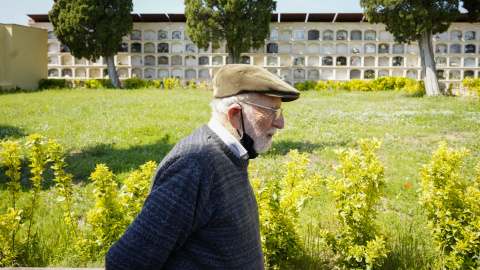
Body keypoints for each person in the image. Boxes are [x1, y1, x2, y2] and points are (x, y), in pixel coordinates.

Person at [105, 64, 300, 269]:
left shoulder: (232, 153)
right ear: (235, 114)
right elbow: (125, 261)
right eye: (272, 112)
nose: (281, 123)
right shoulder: (195, 165)